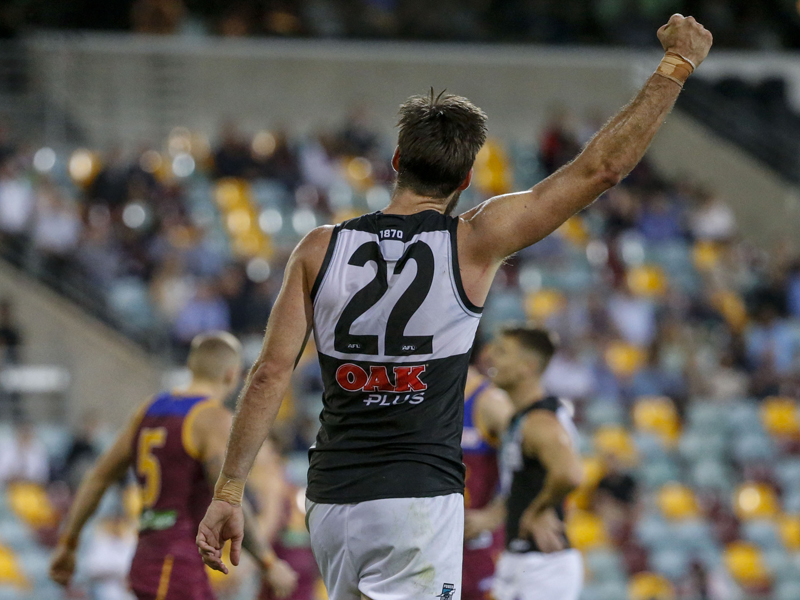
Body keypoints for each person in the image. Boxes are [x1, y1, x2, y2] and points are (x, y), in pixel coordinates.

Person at [197, 15, 712, 600]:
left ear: (397, 160)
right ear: (467, 178)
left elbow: (269, 374)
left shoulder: (320, 247)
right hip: (418, 499)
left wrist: (229, 491)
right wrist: (675, 67)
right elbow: (601, 170)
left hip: (332, 499)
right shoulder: (472, 242)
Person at [49, 331, 297, 600]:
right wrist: (269, 563)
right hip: (175, 566)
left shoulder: (147, 410)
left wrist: (68, 543)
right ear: (232, 374)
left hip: (149, 558)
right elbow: (229, 500)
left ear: (191, 366)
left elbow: (98, 478)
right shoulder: (213, 419)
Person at [487, 326, 584, 600]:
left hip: (542, 563)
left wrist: (539, 508)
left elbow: (570, 474)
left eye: (502, 352)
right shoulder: (522, 417)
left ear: (527, 367)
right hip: (523, 559)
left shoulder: (540, 420)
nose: (491, 357)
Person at [461, 358, 514, 600]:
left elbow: (533, 459)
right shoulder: (416, 394)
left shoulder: (489, 401)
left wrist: (494, 515)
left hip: (475, 541)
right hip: (432, 536)